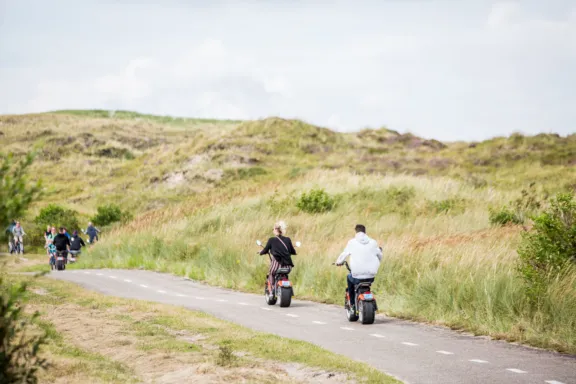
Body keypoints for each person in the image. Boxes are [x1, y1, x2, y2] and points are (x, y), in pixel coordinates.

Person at [335, 224, 382, 311]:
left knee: (349, 277)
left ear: (356, 232)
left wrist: (338, 262)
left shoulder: (352, 242)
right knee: (367, 282)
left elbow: (344, 254)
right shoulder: (373, 242)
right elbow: (379, 255)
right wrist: (377, 262)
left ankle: (352, 304)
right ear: (365, 232)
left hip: (356, 276)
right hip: (370, 276)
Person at [258, 221, 297, 291]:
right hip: (288, 266)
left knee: (271, 273)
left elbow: (265, 250)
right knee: (285, 274)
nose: (273, 230)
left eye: (273, 229)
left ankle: (271, 290)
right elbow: (293, 251)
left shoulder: (271, 240)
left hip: (276, 265)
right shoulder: (288, 239)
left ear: (276, 229)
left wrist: (261, 252)